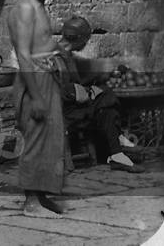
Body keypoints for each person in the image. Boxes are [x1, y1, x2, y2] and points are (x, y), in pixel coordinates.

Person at [8, 0, 66, 217]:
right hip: (34, 81)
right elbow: (23, 55)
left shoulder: (40, 6)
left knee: (49, 141)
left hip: (46, 77)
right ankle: (31, 202)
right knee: (35, 139)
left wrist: (62, 50)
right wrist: (36, 97)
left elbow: (42, 44)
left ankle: (41, 196)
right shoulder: (24, 9)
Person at [54, 16, 143, 173]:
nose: (85, 44)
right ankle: (117, 144)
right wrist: (81, 92)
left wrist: (100, 78)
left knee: (105, 99)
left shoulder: (66, 53)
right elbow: (57, 89)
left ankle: (117, 153)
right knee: (106, 99)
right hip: (64, 111)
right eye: (86, 40)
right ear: (79, 38)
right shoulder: (56, 57)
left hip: (71, 105)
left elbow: (76, 81)